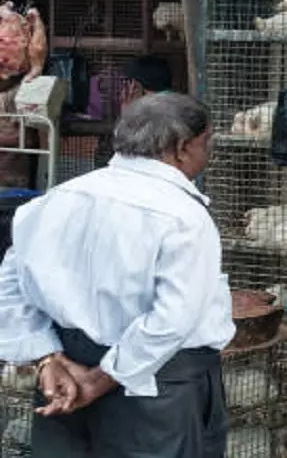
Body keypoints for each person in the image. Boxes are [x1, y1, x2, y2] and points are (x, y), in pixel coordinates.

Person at [0, 93, 233, 457]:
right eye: (206, 144)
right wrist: (101, 378)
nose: (207, 154)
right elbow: (173, 319)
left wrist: (47, 358)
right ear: (182, 148)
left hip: (64, 377)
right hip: (156, 388)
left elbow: (11, 285)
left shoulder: (52, 201)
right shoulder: (182, 218)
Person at [95, 54, 175, 168]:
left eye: (125, 85)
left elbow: (126, 151)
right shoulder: (173, 104)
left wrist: (128, 115)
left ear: (135, 86)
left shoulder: (153, 112)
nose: (122, 93)